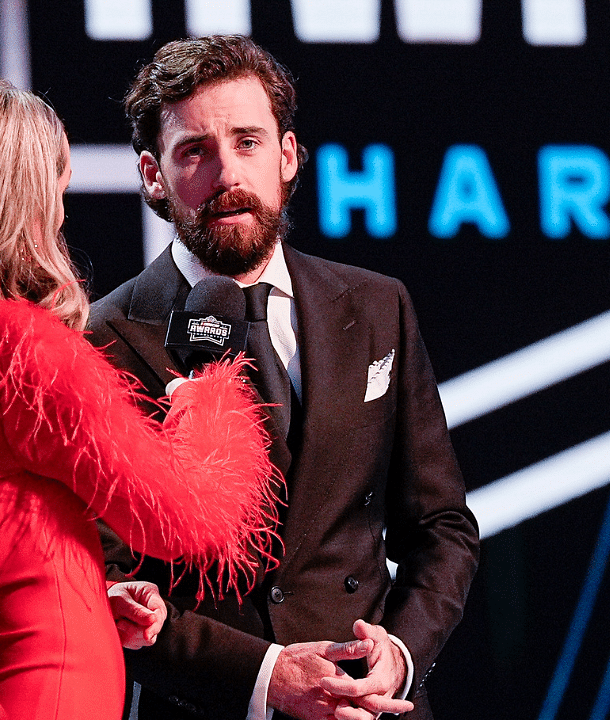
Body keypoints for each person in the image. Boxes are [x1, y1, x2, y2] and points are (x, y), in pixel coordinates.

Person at [0, 77, 286, 720]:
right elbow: (185, 519)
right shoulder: (19, 344)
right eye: (57, 184)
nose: (60, 209)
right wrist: (209, 396)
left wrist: (74, 599)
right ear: (20, 197)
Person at [87, 36, 480, 720]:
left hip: (371, 706)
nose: (228, 173)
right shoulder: (104, 338)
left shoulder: (377, 305)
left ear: (288, 155)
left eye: (248, 142)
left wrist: (402, 655)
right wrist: (267, 677)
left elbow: (442, 525)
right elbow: (106, 581)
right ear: (153, 176)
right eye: (195, 151)